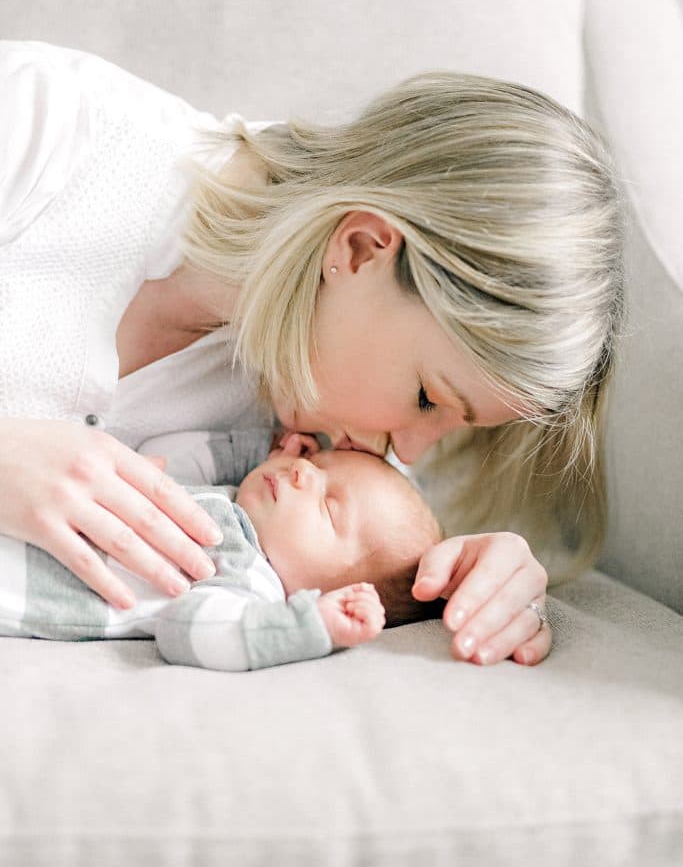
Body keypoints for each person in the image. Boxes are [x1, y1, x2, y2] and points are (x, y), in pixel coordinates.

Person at [0, 40, 625, 669]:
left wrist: (478, 578)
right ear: (359, 249)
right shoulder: (46, 125)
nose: (407, 451)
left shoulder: (299, 435)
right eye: (428, 398)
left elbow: (382, 535)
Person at [0, 433, 442, 671]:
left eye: (328, 505)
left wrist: (307, 626)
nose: (304, 471)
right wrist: (261, 447)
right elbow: (162, 455)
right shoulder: (231, 499)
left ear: (327, 586)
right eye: (321, 464)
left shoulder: (251, 583)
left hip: (24, 583)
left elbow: (187, 628)